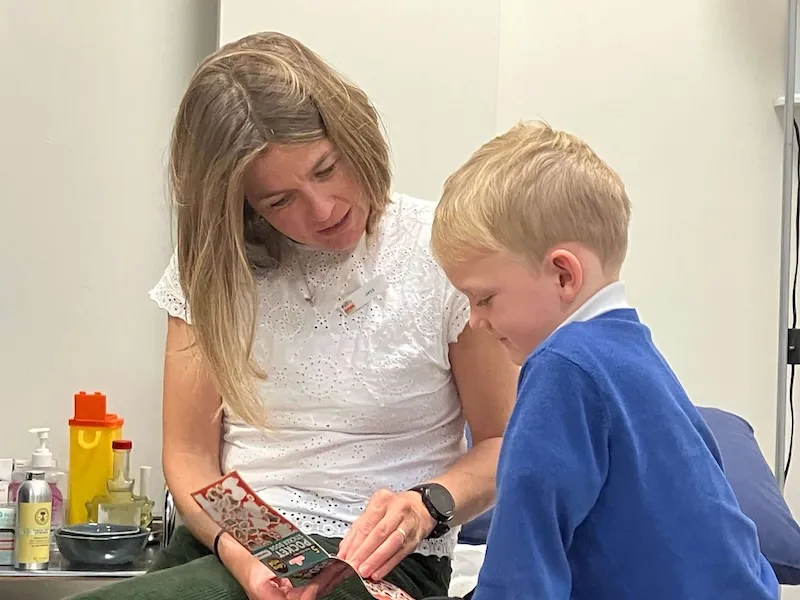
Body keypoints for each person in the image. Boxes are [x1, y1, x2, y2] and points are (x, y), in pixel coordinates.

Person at [69, 32, 517, 600]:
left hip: (378, 561)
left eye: (326, 169)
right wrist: (246, 557)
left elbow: (504, 440)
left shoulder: (440, 252)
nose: (323, 210)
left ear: (352, 134)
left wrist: (429, 504)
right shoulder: (214, 267)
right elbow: (190, 457)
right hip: (230, 547)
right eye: (280, 201)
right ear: (241, 207)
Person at [429, 120, 780, 599]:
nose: (475, 321)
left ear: (562, 275)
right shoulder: (634, 350)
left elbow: (525, 545)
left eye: (484, 298)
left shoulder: (561, 366)